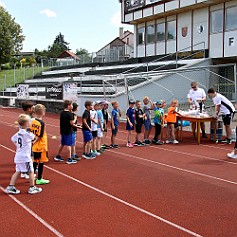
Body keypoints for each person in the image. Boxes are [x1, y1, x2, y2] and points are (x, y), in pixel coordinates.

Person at [5, 114, 42, 194]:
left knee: (17, 171)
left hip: (18, 156)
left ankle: (10, 186)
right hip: (25, 157)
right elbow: (34, 137)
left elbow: (13, 139)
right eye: (29, 122)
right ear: (26, 124)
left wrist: (18, 146)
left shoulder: (18, 133)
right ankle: (32, 187)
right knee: (31, 172)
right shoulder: (27, 134)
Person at [30, 104, 50, 185]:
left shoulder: (32, 121)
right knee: (41, 162)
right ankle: (39, 178)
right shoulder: (41, 123)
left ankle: (33, 176)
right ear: (43, 112)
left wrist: (32, 142)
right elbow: (40, 135)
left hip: (34, 146)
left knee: (35, 161)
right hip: (41, 145)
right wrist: (34, 141)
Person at [54, 100, 77, 164]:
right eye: (71, 105)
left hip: (63, 130)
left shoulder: (62, 113)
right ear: (68, 106)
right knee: (69, 145)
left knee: (62, 143)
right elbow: (72, 123)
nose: (72, 106)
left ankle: (58, 155)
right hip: (68, 131)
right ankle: (69, 159)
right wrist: (75, 118)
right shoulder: (70, 114)